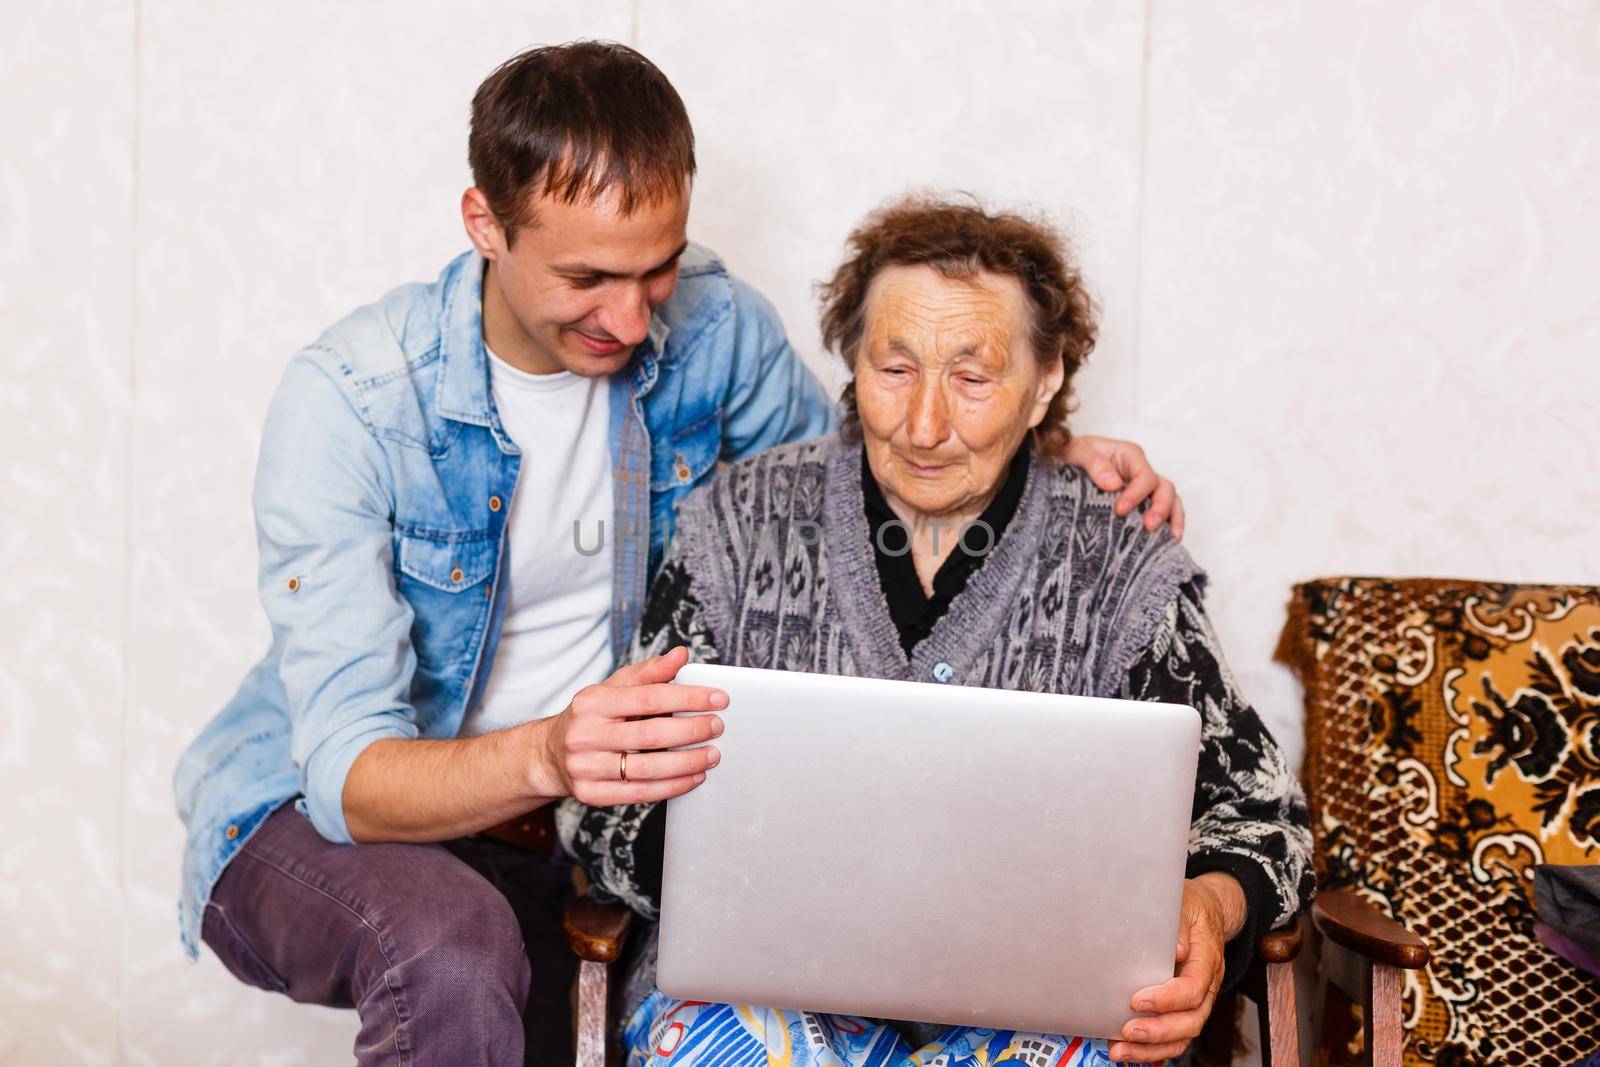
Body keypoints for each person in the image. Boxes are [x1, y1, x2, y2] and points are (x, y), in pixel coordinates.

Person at [171, 42, 1182, 1067]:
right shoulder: (349, 398)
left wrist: (1030, 451)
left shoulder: (715, 328)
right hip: (313, 811)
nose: (628, 316)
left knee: (632, 1001)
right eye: (586, 277)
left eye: (655, 268)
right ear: (484, 223)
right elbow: (351, 775)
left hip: (561, 825)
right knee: (451, 952)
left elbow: (849, 474)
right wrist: (548, 751)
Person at [561, 196, 1315, 1067]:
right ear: (851, 363)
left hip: (1042, 1016)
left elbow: (1266, 816)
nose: (922, 426)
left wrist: (1210, 908)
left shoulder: (1116, 555)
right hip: (771, 1007)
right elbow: (600, 803)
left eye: (972, 377)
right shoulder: (737, 525)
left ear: (1043, 384)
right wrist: (735, 879)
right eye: (894, 369)